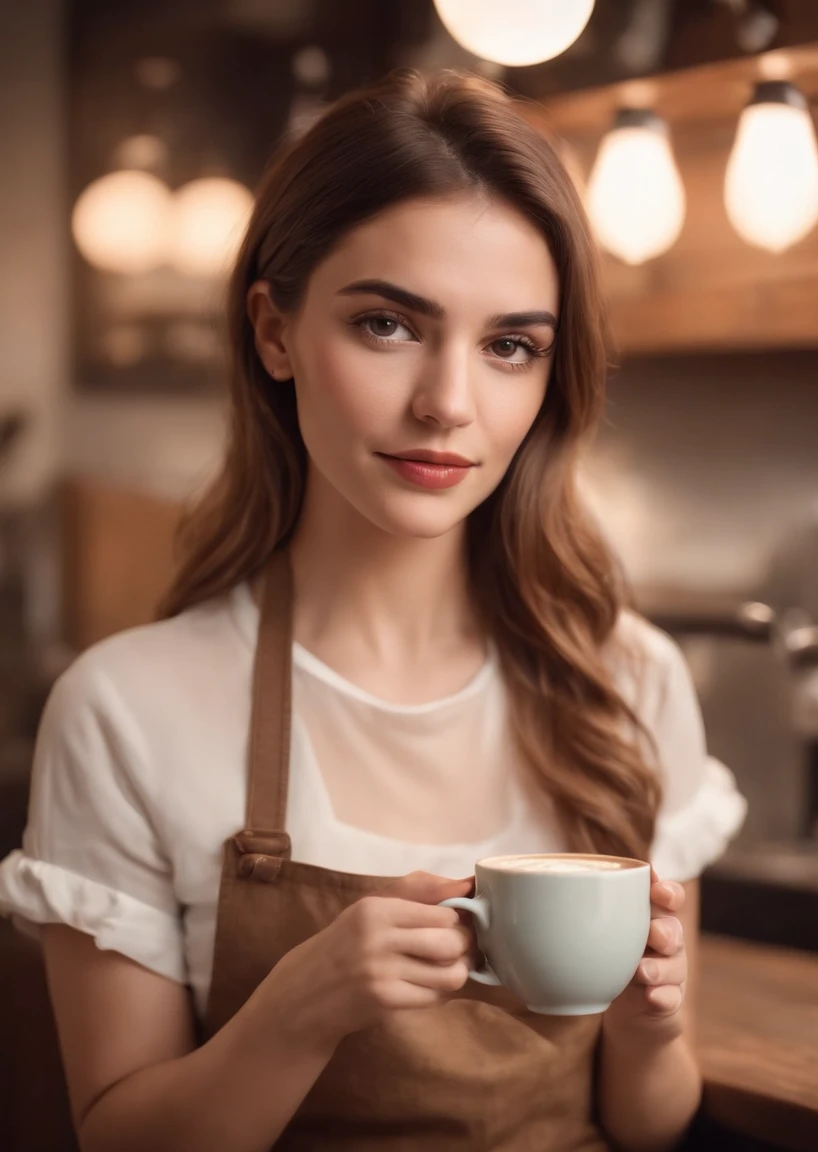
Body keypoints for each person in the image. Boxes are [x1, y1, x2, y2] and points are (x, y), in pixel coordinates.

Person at [0, 71, 746, 1152]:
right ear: (274, 332)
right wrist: (296, 1015)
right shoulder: (125, 708)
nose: (449, 401)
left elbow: (650, 1121)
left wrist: (646, 1032)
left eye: (509, 345)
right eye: (389, 324)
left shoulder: (628, 682)